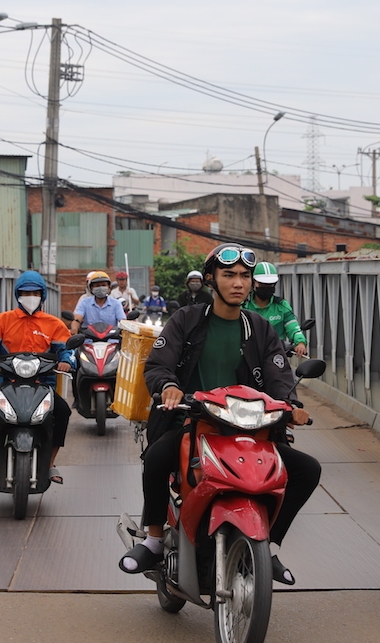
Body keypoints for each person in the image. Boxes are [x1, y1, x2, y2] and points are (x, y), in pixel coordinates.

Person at [118, 243, 320, 585]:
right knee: (155, 458)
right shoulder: (186, 320)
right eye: (229, 275)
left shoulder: (260, 328)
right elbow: (157, 364)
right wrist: (168, 386)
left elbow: (279, 376)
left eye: (245, 276)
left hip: (249, 430)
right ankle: (153, 541)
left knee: (307, 470)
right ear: (211, 279)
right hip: (193, 423)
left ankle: (267, 546)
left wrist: (292, 406)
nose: (238, 283)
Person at [0, 270, 75, 484]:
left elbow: (66, 349)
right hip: (7, 382)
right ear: (17, 294)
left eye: (35, 292)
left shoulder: (54, 324)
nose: (30, 296)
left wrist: (68, 361)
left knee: (63, 412)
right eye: (25, 292)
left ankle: (50, 462)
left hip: (43, 384)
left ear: (42, 296)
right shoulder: (2, 321)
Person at [242, 262, 308, 357]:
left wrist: (300, 342)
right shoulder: (242, 306)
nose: (266, 288)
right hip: (247, 358)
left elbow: (293, 327)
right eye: (262, 284)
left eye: (270, 285)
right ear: (253, 283)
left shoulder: (282, 306)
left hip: (275, 357)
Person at [70, 271, 126, 335]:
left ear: (108, 287)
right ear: (91, 288)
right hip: (89, 340)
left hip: (111, 340)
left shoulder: (116, 303)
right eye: (97, 286)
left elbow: (123, 321)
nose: (100, 288)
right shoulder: (84, 303)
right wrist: (74, 329)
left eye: (103, 285)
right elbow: (77, 319)